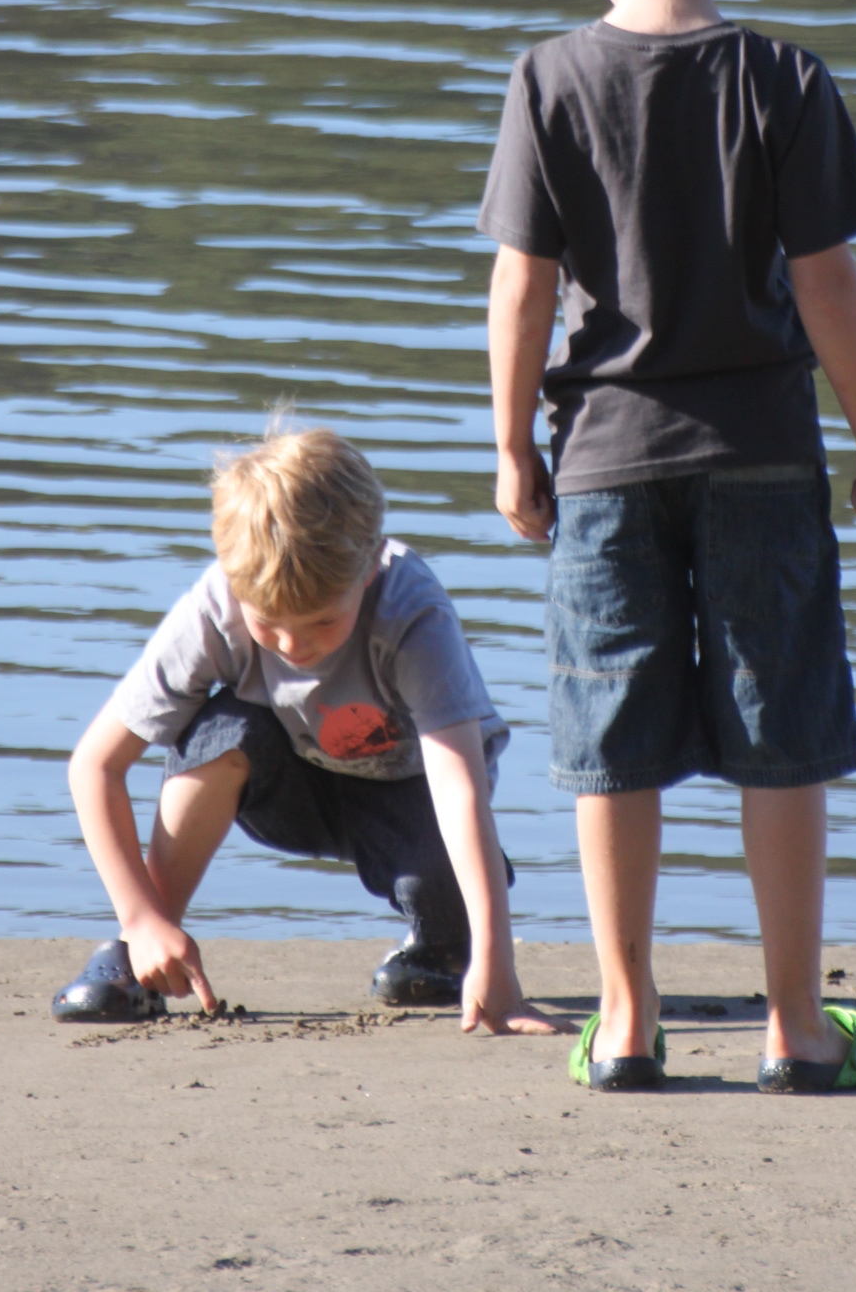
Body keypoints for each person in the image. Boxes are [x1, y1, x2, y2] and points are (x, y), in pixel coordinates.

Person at [479, 0, 856, 1093]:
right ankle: (792, 1025)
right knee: (781, 739)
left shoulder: (550, 80)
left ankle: (626, 1018)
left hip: (605, 461)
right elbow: (829, 283)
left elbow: (524, 285)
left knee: (613, 744)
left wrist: (511, 452)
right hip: (767, 458)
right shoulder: (783, 79)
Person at [51, 423, 553, 1036]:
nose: (294, 646)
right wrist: (137, 916)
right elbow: (95, 765)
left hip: (411, 794)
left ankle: (444, 949)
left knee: (442, 876)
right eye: (270, 624)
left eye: (320, 620)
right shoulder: (217, 607)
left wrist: (497, 964)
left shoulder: (410, 611)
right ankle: (141, 955)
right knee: (223, 730)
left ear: (368, 569)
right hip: (286, 780)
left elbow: (460, 786)